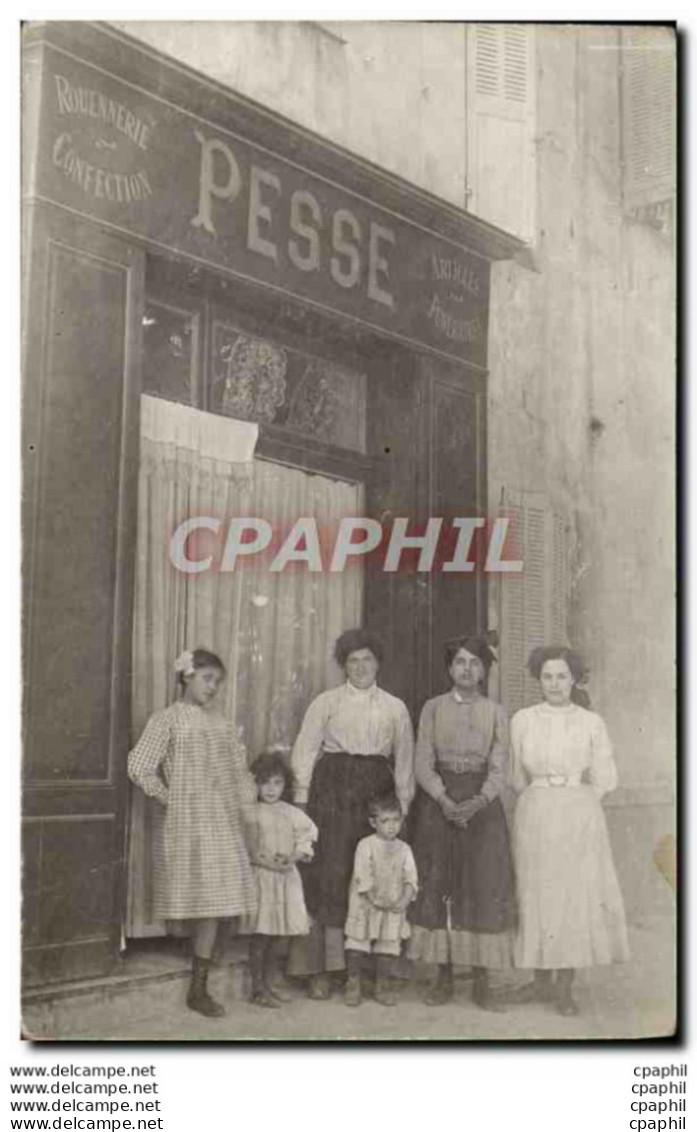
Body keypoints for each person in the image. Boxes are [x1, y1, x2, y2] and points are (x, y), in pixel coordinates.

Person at [128, 648, 257, 1018]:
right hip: (189, 822)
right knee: (204, 899)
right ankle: (197, 987)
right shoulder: (167, 720)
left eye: (218, 681)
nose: (213, 687)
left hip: (223, 819)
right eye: (207, 679)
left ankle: (200, 984)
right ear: (187, 677)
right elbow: (139, 766)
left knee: (222, 900)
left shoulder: (221, 724)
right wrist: (171, 797)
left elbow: (238, 771)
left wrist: (247, 809)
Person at [289, 628, 415, 999]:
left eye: (368, 659)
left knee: (372, 875)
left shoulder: (395, 707)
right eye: (353, 660)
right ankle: (322, 970)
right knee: (329, 875)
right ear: (344, 665)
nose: (361, 667)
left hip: (375, 793)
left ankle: (370, 972)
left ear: (378, 663)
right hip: (331, 792)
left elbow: (404, 761)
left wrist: (402, 806)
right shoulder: (326, 702)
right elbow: (305, 751)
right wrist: (301, 802)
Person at [509, 646, 629, 1016]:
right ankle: (540, 978)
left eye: (562, 676)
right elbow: (516, 776)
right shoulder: (523, 719)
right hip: (536, 811)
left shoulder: (590, 722)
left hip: (579, 813)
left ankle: (566, 986)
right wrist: (542, 795)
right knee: (536, 891)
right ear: (538, 679)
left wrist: (580, 798)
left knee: (574, 895)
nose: (555, 684)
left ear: (573, 678)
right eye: (547, 676)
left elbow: (606, 775)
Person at [408, 637, 516, 1010]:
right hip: (439, 801)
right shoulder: (432, 709)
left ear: (485, 670)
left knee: (482, 883)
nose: (467, 669)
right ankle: (444, 977)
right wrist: (442, 798)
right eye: (459, 662)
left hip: (482, 805)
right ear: (449, 669)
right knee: (441, 881)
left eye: (474, 663)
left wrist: (479, 800)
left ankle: (483, 981)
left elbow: (501, 765)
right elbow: (422, 760)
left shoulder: (496, 712)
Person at [243, 753, 318, 1008]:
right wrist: (264, 862)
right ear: (255, 784)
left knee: (279, 935)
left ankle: (270, 983)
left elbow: (306, 839)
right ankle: (257, 988)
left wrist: (292, 857)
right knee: (261, 934)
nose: (271, 789)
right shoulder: (250, 812)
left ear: (285, 785)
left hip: (285, 880)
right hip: (262, 879)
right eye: (264, 783)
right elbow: (246, 847)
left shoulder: (291, 813)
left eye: (277, 783)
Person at [344, 792, 418, 1008]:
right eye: (385, 821)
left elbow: (411, 878)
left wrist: (403, 900)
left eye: (396, 820)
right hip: (367, 903)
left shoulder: (404, 849)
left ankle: (382, 985)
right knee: (357, 943)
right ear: (373, 822)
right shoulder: (365, 845)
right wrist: (372, 896)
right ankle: (353, 983)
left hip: (392, 905)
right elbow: (362, 874)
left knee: (388, 946)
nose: (391, 826)